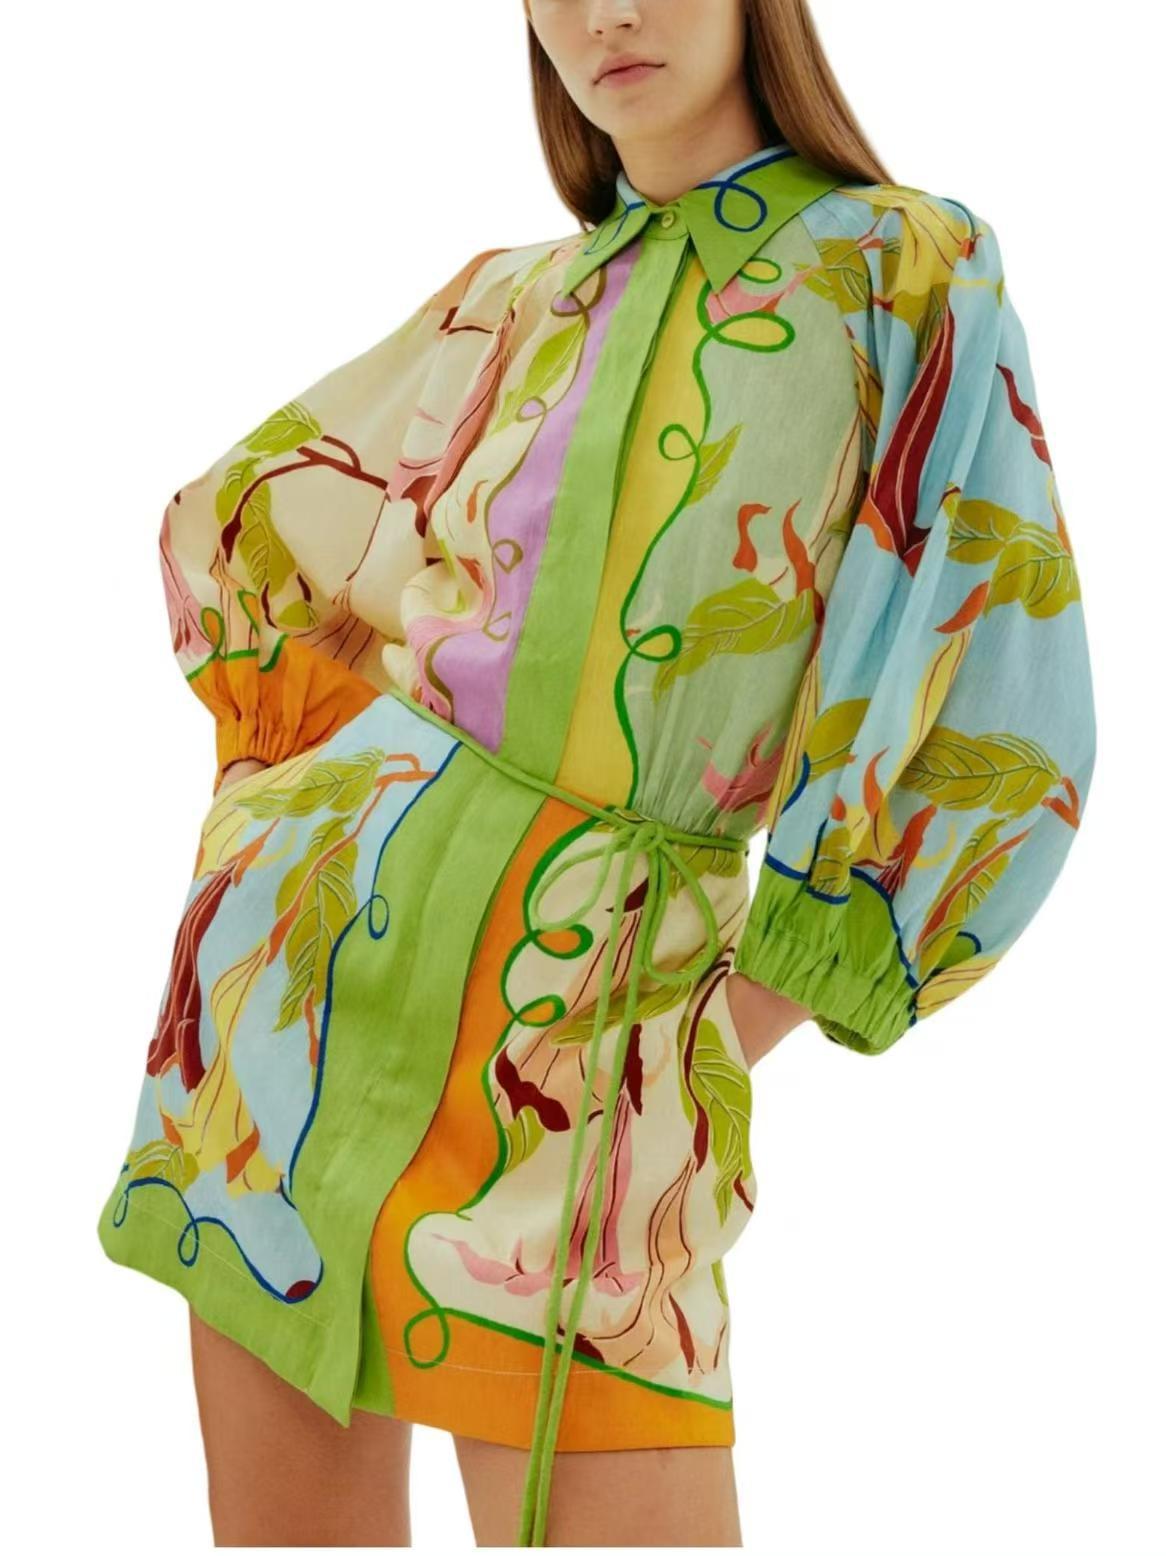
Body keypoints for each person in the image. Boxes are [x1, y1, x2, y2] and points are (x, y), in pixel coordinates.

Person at [95, 0, 1097, 1545]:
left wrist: (734, 1017)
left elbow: (995, 672)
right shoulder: (511, 301)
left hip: (595, 1037)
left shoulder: (901, 270)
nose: (605, 13)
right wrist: (287, 818)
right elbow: (241, 527)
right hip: (290, 1022)